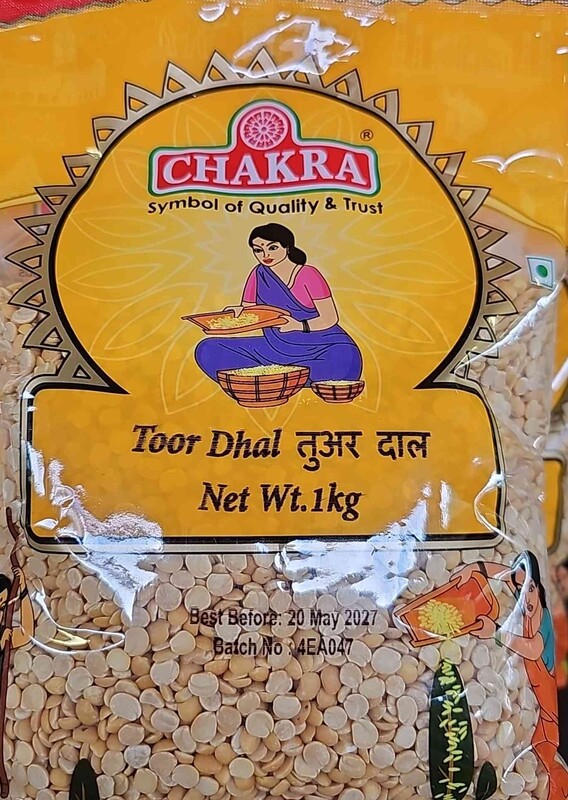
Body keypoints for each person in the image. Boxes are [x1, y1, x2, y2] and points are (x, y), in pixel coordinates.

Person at [454, 552, 568, 799]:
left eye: (530, 590)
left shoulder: (543, 618)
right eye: (523, 588)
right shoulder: (523, 598)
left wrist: (495, 631)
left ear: (538, 589)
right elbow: (502, 572)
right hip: (528, 697)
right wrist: (474, 568)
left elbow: (533, 649)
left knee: (542, 748)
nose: (525, 596)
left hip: (543, 703)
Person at [194, 223, 363, 384]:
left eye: (273, 248)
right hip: (276, 348)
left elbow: (330, 318)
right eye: (258, 250)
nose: (265, 255)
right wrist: (238, 311)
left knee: (342, 362)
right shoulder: (259, 273)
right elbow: (252, 312)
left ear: (287, 247)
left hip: (322, 347)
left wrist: (299, 325)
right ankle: (284, 377)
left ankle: (276, 378)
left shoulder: (308, 274)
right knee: (208, 349)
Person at [0, 566, 35, 653]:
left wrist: (23, 588)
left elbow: (26, 635)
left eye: (2, 607)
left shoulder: (2, 633)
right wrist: (1, 645)